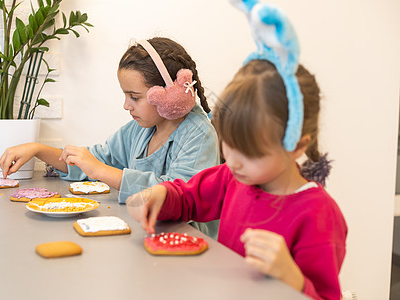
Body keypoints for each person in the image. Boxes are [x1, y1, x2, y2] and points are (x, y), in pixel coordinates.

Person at [126, 2, 347, 299]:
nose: (233, 160)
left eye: (250, 152)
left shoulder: (319, 215)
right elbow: (188, 198)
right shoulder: (232, 177)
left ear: (297, 146)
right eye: (228, 144)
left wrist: (292, 277)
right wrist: (162, 195)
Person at [0, 37, 220, 224]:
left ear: (172, 94)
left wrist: (101, 171)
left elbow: (180, 199)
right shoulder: (140, 129)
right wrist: (38, 149)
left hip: (187, 246)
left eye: (134, 97)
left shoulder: (199, 136)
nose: (126, 105)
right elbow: (93, 161)